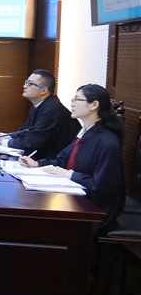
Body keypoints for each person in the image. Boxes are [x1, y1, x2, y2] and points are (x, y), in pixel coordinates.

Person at [19, 84, 125, 231]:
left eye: (77, 100)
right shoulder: (85, 132)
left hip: (95, 208)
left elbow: (102, 187)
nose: (72, 104)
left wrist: (69, 174)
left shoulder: (107, 142)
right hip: (74, 197)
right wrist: (37, 164)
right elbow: (63, 161)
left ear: (94, 105)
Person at [0, 69, 81, 161]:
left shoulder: (53, 110)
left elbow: (32, 142)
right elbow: (24, 132)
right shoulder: (39, 106)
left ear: (44, 90)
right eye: (26, 82)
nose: (24, 86)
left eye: (30, 84)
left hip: (56, 163)